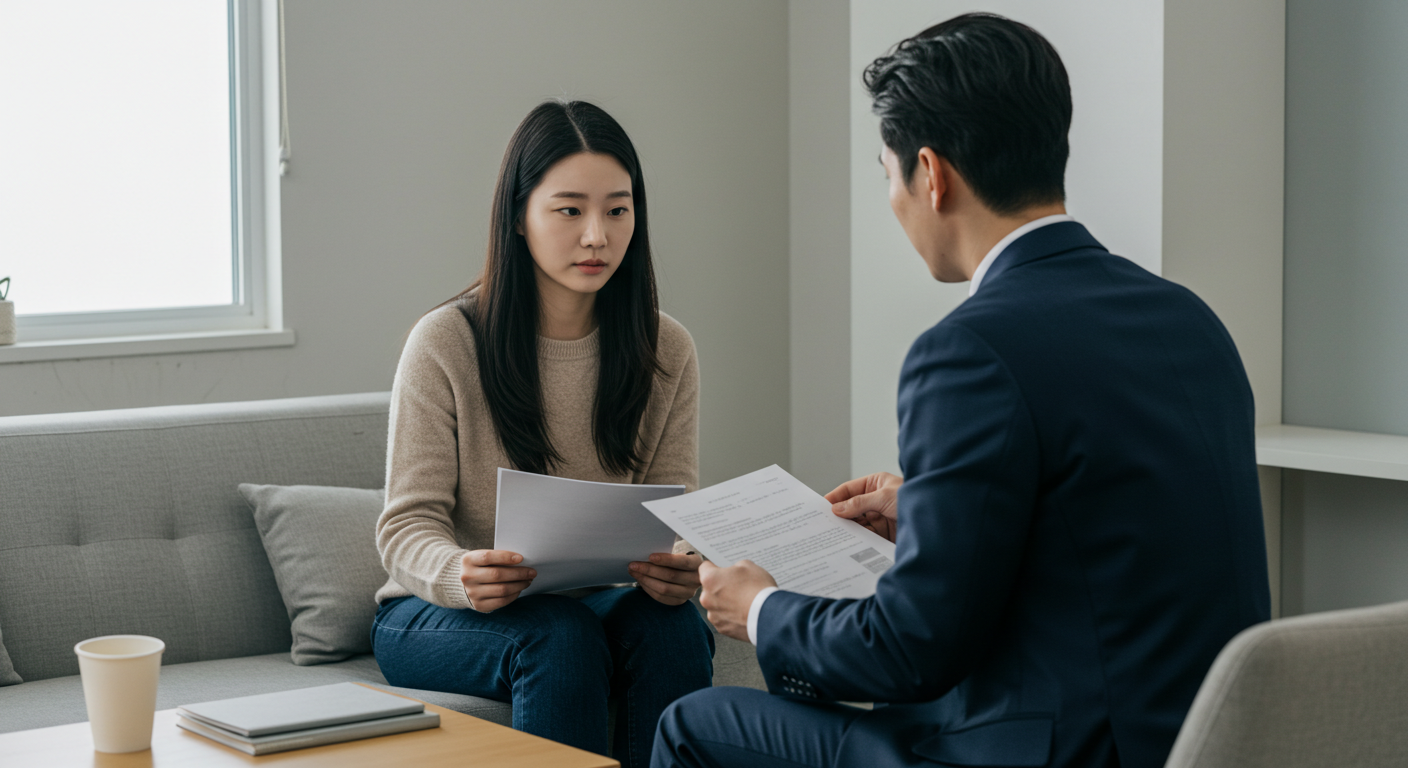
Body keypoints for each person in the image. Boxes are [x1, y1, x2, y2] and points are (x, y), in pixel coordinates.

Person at [654, 13, 1269, 768]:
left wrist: (760, 610)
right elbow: (1113, 526)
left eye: (888, 175)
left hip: (1051, 750)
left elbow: (912, 651)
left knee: (695, 722)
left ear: (931, 174)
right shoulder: (1190, 320)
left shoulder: (967, 352)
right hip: (1198, 742)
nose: (893, 201)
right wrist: (927, 509)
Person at [371, 100, 714, 768]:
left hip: (593, 603)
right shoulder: (446, 343)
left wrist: (683, 564)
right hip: (437, 614)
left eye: (618, 210)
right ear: (520, 217)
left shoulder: (665, 348)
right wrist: (460, 572)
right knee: (558, 634)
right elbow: (404, 528)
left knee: (672, 627)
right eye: (569, 210)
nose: (596, 236)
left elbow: (679, 512)